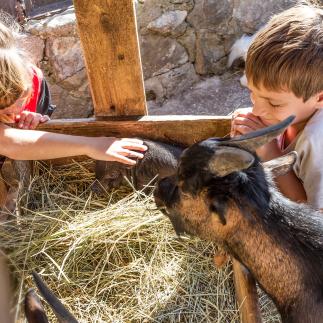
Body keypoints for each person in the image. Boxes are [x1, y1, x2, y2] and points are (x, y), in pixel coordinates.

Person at [0, 21, 147, 166]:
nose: (15, 110)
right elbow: (8, 142)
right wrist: (91, 145)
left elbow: (20, 137)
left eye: (21, 99)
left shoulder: (33, 79)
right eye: (2, 107)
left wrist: (27, 118)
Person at [231, 4, 323, 210]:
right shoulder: (298, 111)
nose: (257, 110)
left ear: (320, 98)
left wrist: (271, 153)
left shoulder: (318, 142)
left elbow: (315, 220)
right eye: (253, 93)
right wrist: (251, 124)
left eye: (273, 103)